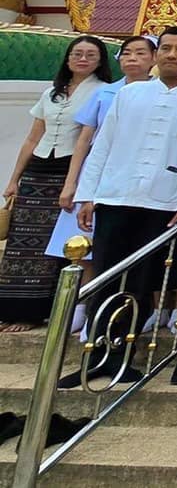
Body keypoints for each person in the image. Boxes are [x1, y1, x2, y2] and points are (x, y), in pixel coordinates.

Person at [70, 28, 177, 383]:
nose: (171, 55)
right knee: (106, 277)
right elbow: (102, 146)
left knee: (141, 282)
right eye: (165, 48)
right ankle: (95, 358)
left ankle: (123, 357)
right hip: (116, 195)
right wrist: (87, 194)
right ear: (155, 55)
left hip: (163, 202)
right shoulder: (129, 95)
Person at [0, 35, 109, 330]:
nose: (82, 59)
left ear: (100, 61)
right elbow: (33, 137)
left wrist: (73, 183)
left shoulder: (103, 92)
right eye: (77, 53)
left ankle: (38, 310)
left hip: (70, 166)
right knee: (22, 240)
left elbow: (89, 141)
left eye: (89, 54)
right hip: (39, 166)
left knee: (56, 240)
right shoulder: (52, 93)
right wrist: (14, 179)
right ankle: (11, 307)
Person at [61, 35, 155, 214]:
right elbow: (84, 140)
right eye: (126, 53)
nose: (132, 58)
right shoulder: (103, 92)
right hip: (98, 167)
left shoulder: (162, 93)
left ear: (154, 58)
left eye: (140, 53)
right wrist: (71, 182)